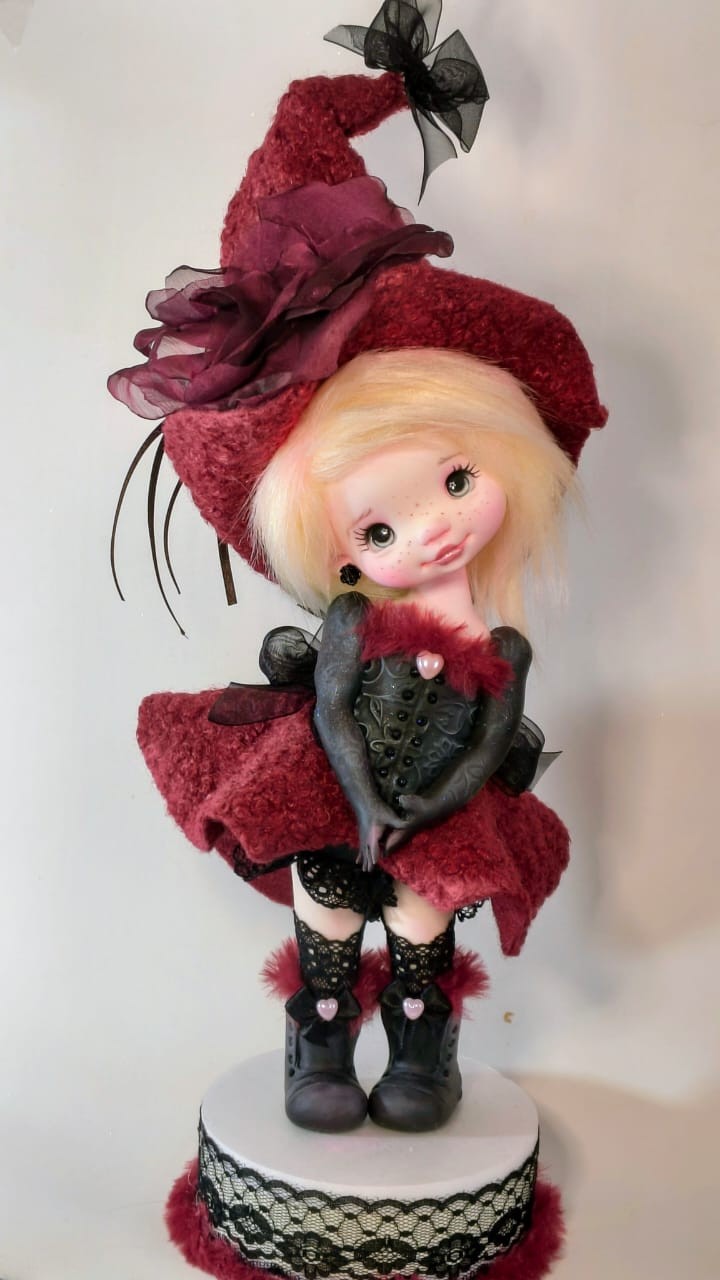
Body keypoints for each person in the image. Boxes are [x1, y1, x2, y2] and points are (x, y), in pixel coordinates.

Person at [112, 70, 607, 1135]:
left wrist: (421, 810)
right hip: (337, 788)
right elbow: (335, 707)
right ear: (333, 548)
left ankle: (424, 1050)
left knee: (426, 914)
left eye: (458, 479)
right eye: (376, 531)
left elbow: (488, 740)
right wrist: (366, 799)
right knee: (328, 904)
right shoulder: (349, 624)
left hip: (434, 800)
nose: (430, 532)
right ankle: (323, 1039)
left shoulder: (501, 644)